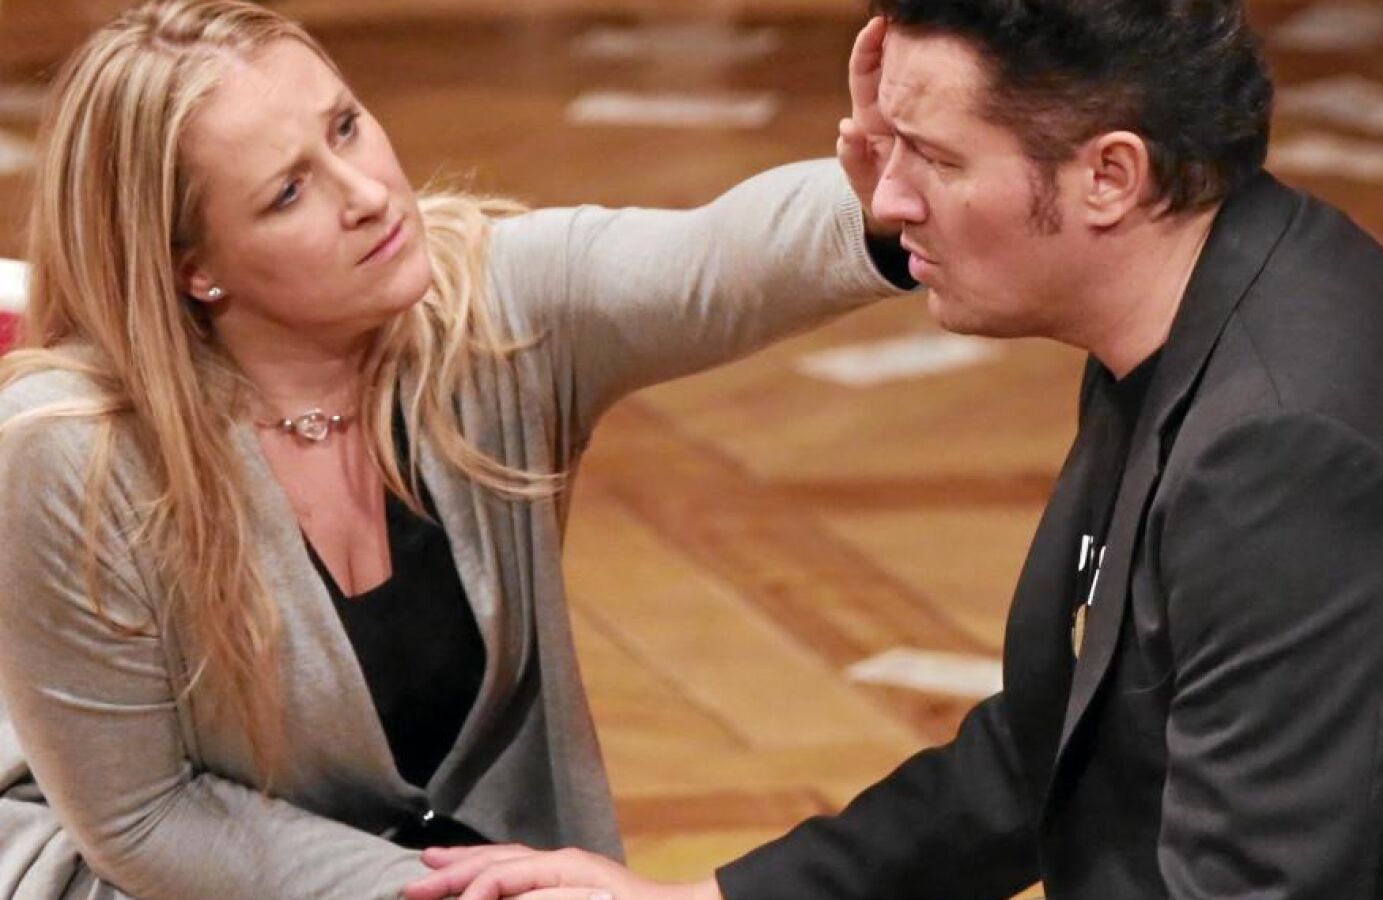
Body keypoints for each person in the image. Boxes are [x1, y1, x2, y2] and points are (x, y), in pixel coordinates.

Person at [402, 2, 1383, 899]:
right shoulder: (1201, 304)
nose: (886, 203)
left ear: (1109, 176)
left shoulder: (1288, 453)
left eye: (933, 158)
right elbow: (1053, 747)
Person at [0, 1, 912, 897]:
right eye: (289, 192)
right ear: (192, 267)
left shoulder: (489, 305)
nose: (366, 195)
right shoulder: (72, 452)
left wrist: (887, 196)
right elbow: (147, 820)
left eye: (346, 127)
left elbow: (716, 262)